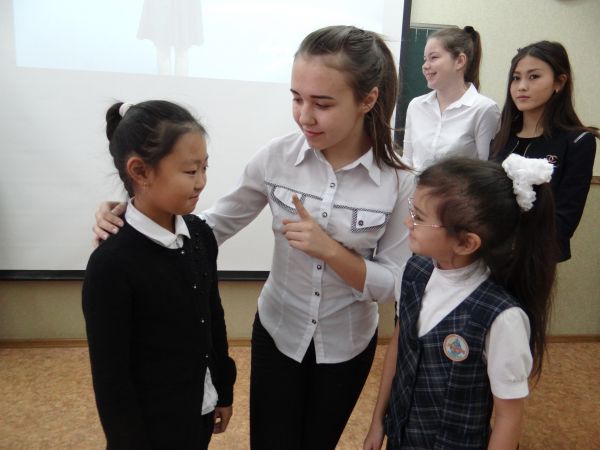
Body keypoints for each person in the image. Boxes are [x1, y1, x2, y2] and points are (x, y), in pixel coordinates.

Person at [93, 25, 414, 450]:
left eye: (322, 104)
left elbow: (396, 284)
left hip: (347, 345)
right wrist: (135, 212)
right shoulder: (276, 158)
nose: (305, 116)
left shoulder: (399, 181)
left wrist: (332, 252)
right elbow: (211, 227)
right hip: (278, 332)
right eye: (297, 98)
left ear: (367, 100)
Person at [363, 156, 558, 449]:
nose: (407, 222)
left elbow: (508, 417)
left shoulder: (501, 317)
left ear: (466, 243)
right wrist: (378, 422)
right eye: (412, 210)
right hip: (402, 438)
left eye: (419, 217)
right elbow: (399, 347)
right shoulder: (414, 271)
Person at [83, 100, 236, 449]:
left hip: (199, 408)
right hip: (150, 429)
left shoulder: (199, 235)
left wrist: (223, 390)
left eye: (205, 168)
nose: (201, 182)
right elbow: (111, 380)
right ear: (140, 171)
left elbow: (212, 318)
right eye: (190, 171)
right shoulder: (111, 264)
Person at [491, 41, 598, 262]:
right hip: (489, 250)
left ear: (559, 82)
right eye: (516, 78)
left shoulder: (577, 141)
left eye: (534, 77)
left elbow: (565, 218)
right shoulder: (501, 137)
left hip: (535, 259)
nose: (521, 86)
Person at [401, 26, 500, 172]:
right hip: (416, 187)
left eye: (433, 57)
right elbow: (408, 160)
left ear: (460, 61)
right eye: (425, 59)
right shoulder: (416, 106)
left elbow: (487, 171)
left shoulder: (484, 109)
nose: (425, 66)